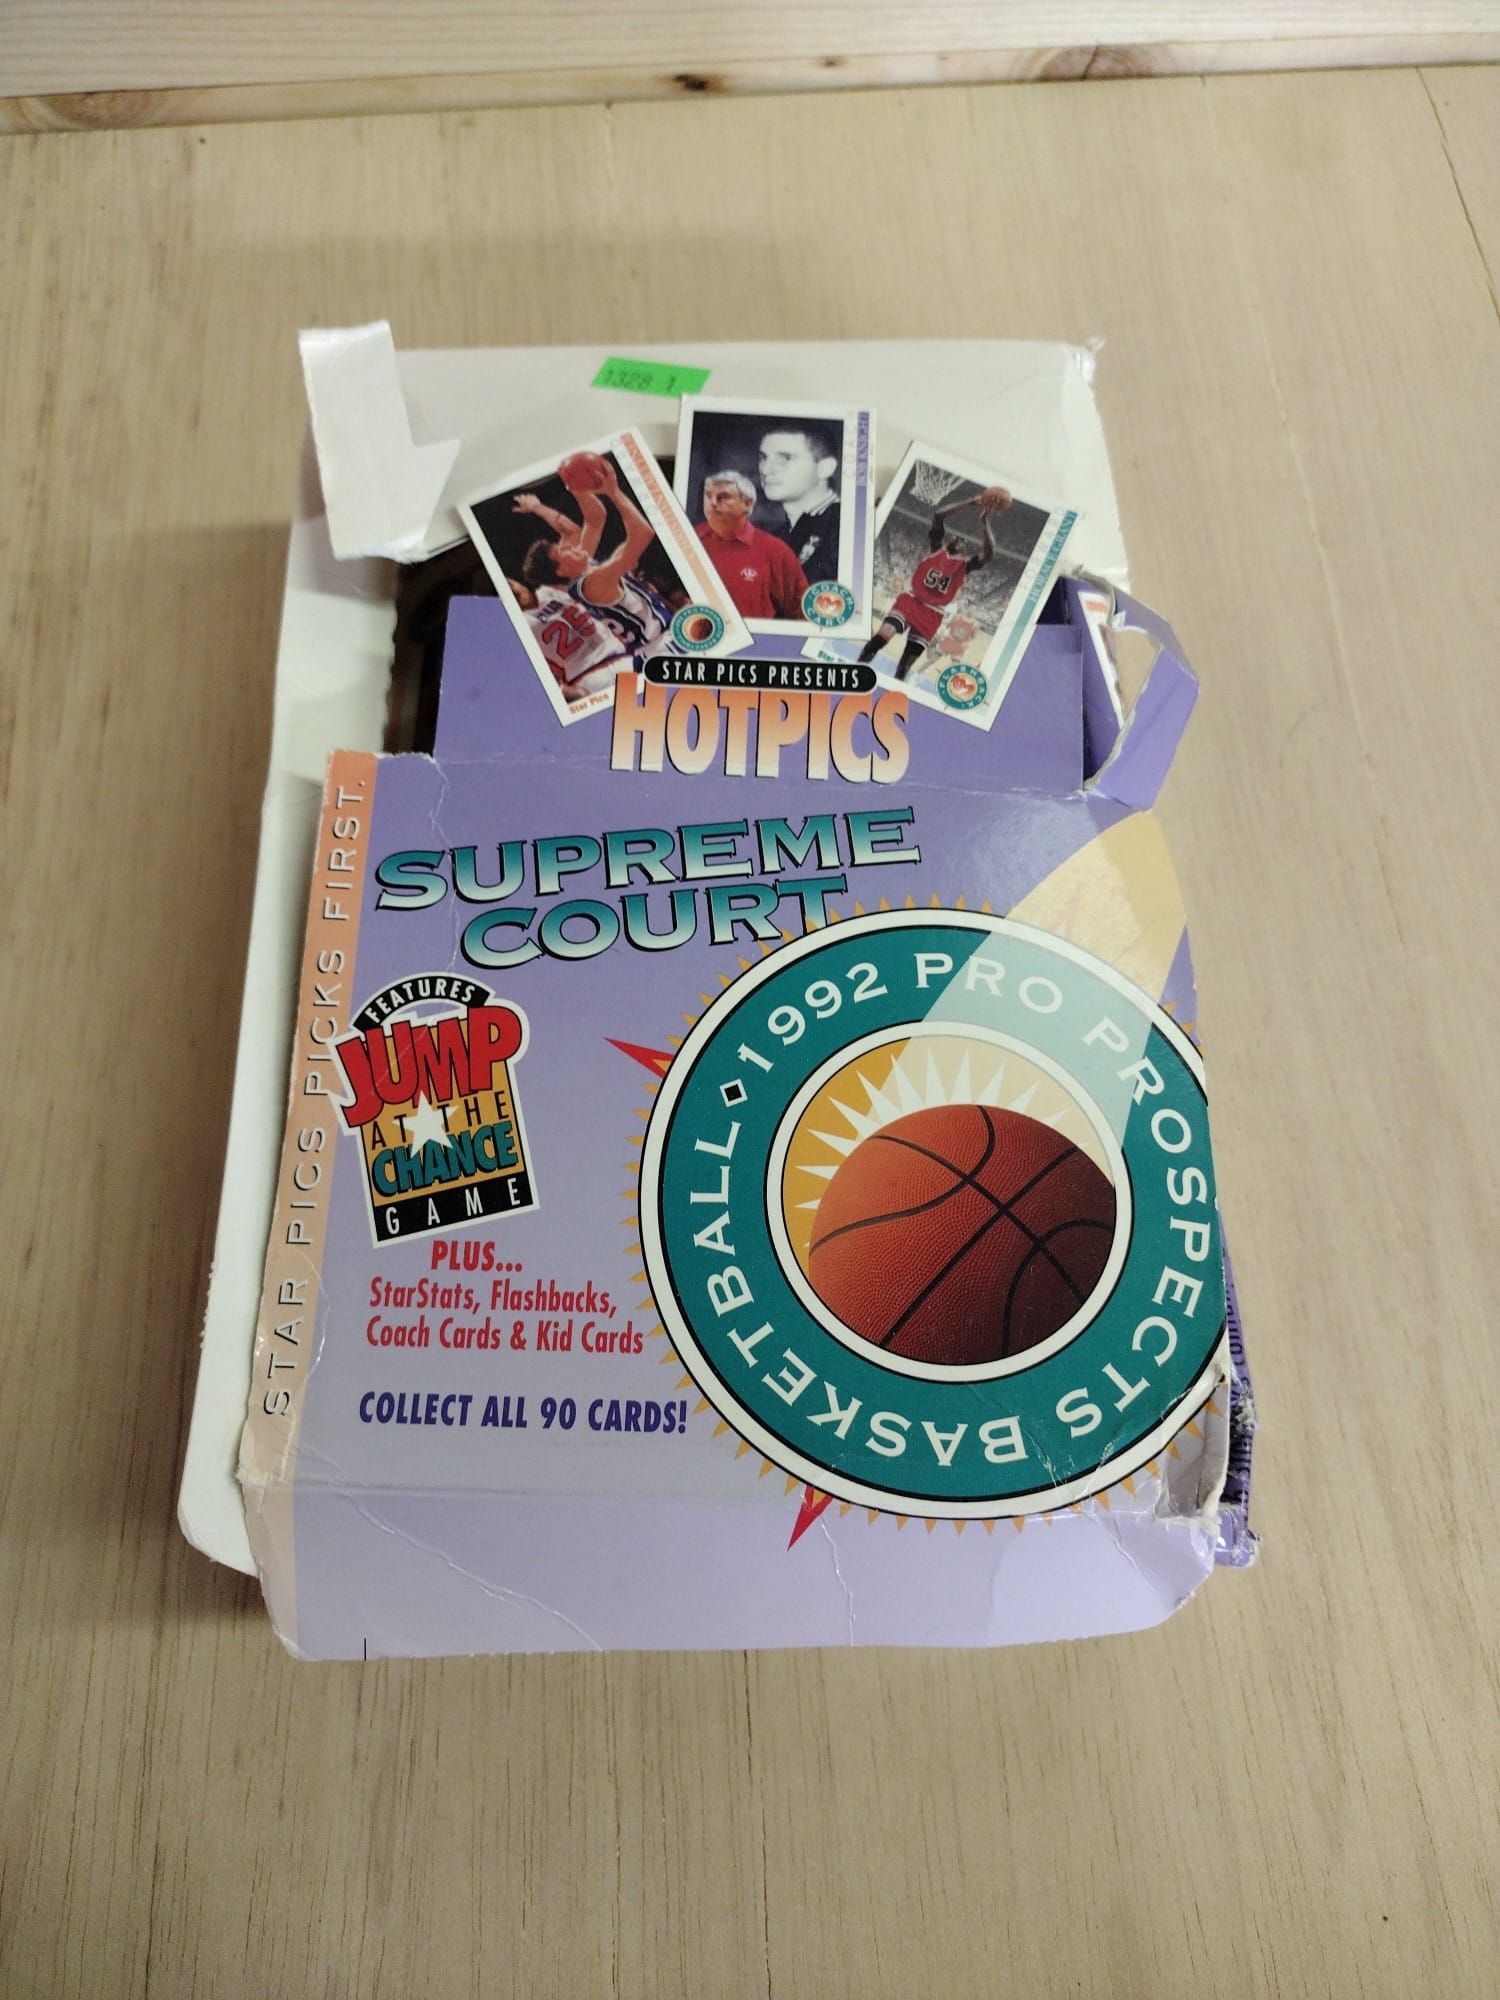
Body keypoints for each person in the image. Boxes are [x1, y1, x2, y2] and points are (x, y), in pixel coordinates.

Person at [516, 462, 672, 696]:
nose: (570, 545)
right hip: (657, 645)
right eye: (562, 550)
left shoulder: (585, 569)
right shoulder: (592, 583)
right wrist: (613, 491)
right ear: (561, 571)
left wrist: (574, 484)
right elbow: (643, 533)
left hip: (655, 637)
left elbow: (595, 517)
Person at [859, 491, 1004, 682]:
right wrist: (969, 501)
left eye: (963, 543)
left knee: (904, 667)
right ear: (948, 543)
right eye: (955, 538)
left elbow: (989, 554)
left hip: (932, 614)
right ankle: (856, 672)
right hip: (911, 602)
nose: (959, 541)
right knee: (879, 640)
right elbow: (938, 515)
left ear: (964, 553)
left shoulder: (964, 566)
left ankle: (894, 689)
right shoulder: (936, 549)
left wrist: (985, 522)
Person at [694, 470, 809, 620]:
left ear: (747, 504)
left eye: (724, 497)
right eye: (708, 496)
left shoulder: (775, 551)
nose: (713, 503)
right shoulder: (687, 540)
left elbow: (803, 613)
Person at [758, 424, 842, 586]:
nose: (766, 470)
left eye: (784, 459)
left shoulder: (843, 529)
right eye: (763, 458)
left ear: (825, 468)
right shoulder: (777, 536)